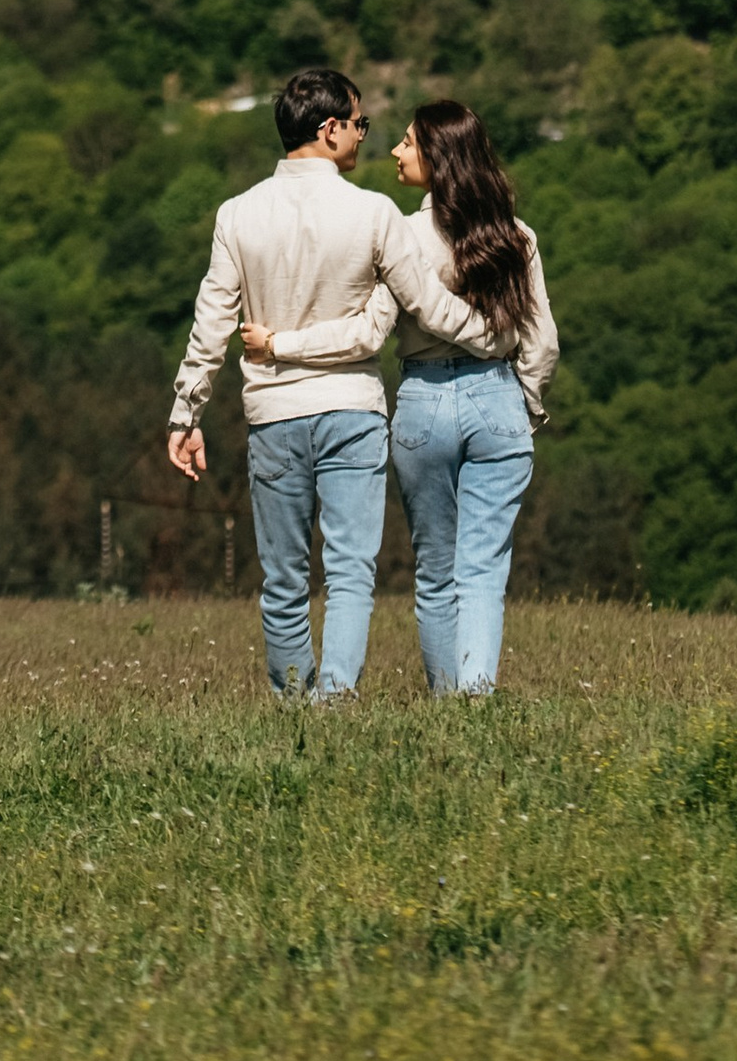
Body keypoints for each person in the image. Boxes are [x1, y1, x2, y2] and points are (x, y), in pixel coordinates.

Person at [165, 64, 507, 702]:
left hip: (272, 410)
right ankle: (338, 697)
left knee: (283, 576)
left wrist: (186, 414)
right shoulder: (375, 214)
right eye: (358, 124)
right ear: (329, 130)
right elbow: (430, 307)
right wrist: (496, 336)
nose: (363, 137)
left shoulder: (237, 215)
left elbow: (212, 322)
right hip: (352, 408)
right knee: (351, 573)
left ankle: (296, 701)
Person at [253, 98, 555, 697]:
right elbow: (541, 341)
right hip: (499, 397)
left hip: (423, 401)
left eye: (409, 142)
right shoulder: (516, 236)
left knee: (436, 571)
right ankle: (475, 696)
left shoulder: (404, 233)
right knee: (485, 568)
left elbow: (368, 331)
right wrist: (522, 403)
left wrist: (280, 344)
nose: (394, 149)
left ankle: (448, 699)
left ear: (439, 160)